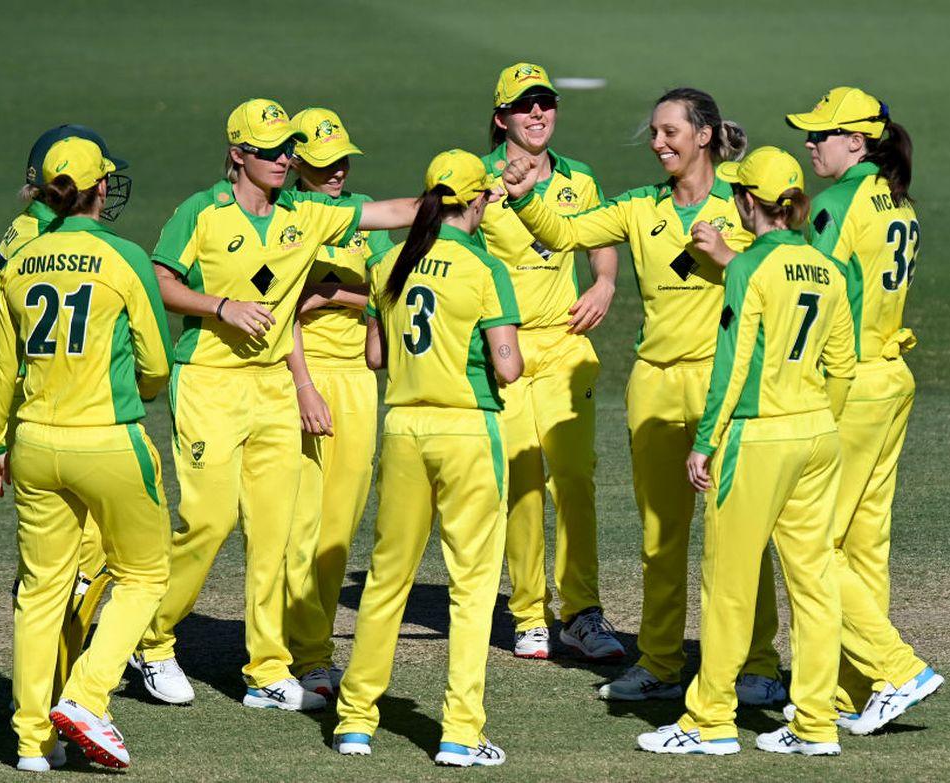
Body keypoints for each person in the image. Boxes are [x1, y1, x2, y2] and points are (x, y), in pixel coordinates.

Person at [129, 98, 416, 711]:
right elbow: (159, 279)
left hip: (273, 389)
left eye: (289, 148)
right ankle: (151, 642)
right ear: (238, 155)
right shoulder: (200, 212)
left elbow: (396, 210)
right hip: (208, 380)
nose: (285, 159)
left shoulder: (306, 211)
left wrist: (475, 189)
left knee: (274, 534)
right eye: (270, 150)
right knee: (207, 521)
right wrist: (222, 307)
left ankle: (267, 670)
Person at [502, 89, 784, 703]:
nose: (658, 143)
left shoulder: (743, 197)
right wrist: (525, 198)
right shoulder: (637, 208)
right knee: (661, 536)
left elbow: (788, 270)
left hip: (724, 382)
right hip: (655, 384)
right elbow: (568, 231)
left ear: (703, 135)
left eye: (669, 132)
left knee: (738, 534)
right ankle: (659, 662)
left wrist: (728, 256)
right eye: (654, 133)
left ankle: (759, 665)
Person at [638, 146, 856, 757]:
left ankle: (709, 721)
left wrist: (706, 442)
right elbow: (841, 368)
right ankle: (816, 723)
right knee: (814, 584)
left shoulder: (747, 269)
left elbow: (732, 367)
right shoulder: (828, 270)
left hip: (757, 439)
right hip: (817, 435)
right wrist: (816, 422)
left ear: (744, 202)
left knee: (728, 584)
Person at [0, 136, 173, 771]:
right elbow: (156, 363)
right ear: (97, 190)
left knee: (40, 593)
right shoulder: (124, 257)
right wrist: (132, 388)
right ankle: (87, 697)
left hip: (32, 444)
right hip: (111, 440)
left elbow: (2, 366)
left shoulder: (20, 259)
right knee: (145, 574)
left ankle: (33, 743)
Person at [332, 150, 522, 766]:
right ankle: (461, 734)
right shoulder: (486, 268)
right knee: (472, 588)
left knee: (387, 577)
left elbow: (374, 358)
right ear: (477, 202)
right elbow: (508, 365)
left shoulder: (392, 260)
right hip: (468, 431)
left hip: (404, 428)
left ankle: (355, 721)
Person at [785, 86, 943, 734]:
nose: (810, 143)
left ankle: (898, 667)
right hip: (892, 379)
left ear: (858, 142)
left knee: (813, 542)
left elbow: (812, 289)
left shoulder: (838, 203)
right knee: (864, 543)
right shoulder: (897, 201)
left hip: (848, 386)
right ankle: (858, 689)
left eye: (822, 135)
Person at [478, 62, 623, 661]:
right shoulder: (477, 180)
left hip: (565, 345)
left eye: (546, 103)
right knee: (521, 482)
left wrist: (605, 284)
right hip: (506, 350)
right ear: (501, 118)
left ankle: (582, 612)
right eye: (524, 105)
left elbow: (601, 244)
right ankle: (527, 612)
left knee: (575, 479)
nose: (538, 114)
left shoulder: (579, 178)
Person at [0, 124, 127, 721]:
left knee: (68, 574)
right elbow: (4, 334)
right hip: (63, 420)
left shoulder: (30, 234)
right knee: (68, 573)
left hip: (42, 422)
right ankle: (50, 705)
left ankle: (52, 702)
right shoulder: (42, 238)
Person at [281, 107, 393, 699]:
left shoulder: (362, 213)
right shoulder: (288, 214)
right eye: (325, 163)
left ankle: (312, 643)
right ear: (297, 163)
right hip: (304, 381)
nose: (338, 173)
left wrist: (334, 295)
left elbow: (381, 289)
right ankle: (301, 653)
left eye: (343, 160)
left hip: (358, 383)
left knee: (339, 528)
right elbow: (283, 307)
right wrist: (303, 384)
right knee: (298, 523)